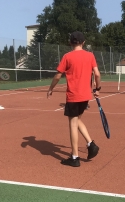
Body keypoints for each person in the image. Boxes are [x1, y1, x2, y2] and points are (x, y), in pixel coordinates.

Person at [47, 31, 101, 167]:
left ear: (71, 43)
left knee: (72, 123)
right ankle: (90, 144)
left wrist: (51, 88)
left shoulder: (67, 56)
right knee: (77, 120)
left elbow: (58, 76)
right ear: (83, 43)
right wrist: (97, 89)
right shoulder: (90, 55)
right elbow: (97, 74)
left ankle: (75, 157)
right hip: (85, 95)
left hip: (73, 95)